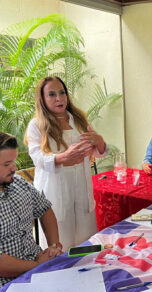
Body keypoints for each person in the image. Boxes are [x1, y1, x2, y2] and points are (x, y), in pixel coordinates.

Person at [24, 76, 108, 251]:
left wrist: (99, 141)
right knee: (61, 245)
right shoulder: (37, 125)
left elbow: (99, 152)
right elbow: (36, 157)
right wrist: (62, 158)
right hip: (55, 191)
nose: (59, 98)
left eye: (62, 92)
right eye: (52, 94)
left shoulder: (79, 120)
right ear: (43, 99)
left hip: (82, 190)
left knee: (86, 244)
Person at [0, 132, 62, 287]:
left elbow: (45, 209)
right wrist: (36, 266)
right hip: (7, 283)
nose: (15, 168)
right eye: (7, 164)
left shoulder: (18, 183)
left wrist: (53, 246)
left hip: (38, 266)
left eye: (14, 161)